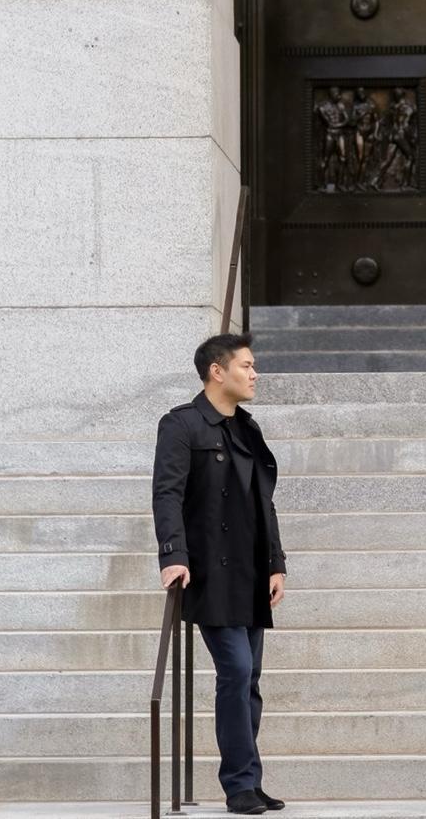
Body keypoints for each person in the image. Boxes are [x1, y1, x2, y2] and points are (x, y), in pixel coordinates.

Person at [153, 333, 288, 816]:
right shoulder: (181, 425)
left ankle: (250, 781)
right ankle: (238, 785)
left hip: (251, 573)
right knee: (236, 670)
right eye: (246, 366)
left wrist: (276, 562)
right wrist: (173, 554)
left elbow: (263, 503)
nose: (254, 374)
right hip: (210, 572)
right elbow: (167, 493)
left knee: (249, 679)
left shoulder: (247, 428)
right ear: (217, 371)